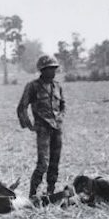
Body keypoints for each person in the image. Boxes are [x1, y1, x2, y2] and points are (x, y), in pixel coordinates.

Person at [17, 54, 66, 197]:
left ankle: (50, 191)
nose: (53, 71)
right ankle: (32, 194)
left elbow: (63, 105)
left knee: (55, 162)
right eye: (50, 68)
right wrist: (29, 125)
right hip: (43, 128)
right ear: (42, 70)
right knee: (42, 164)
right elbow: (22, 107)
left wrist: (60, 118)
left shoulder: (58, 86)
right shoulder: (33, 86)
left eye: (54, 68)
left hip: (57, 129)